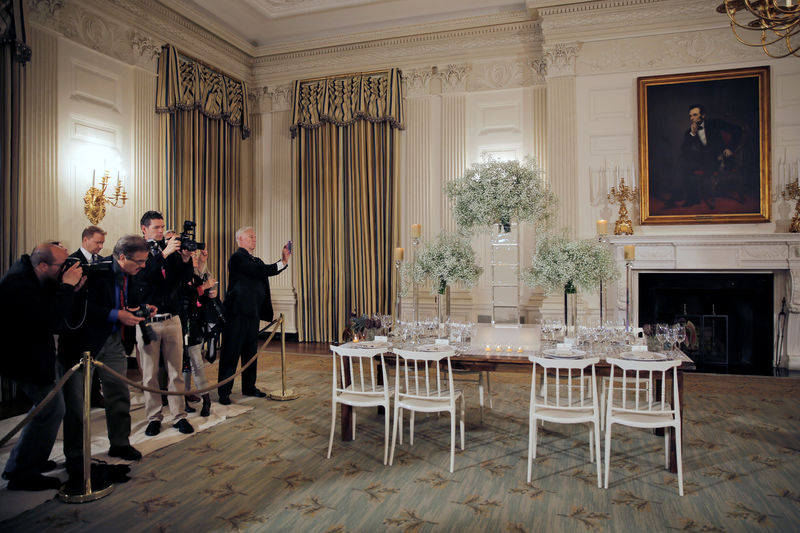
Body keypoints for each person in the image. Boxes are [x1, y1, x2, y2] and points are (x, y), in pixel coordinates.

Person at [59, 235, 150, 480]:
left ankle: (120, 442)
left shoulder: (132, 273)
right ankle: (76, 456)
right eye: (139, 262)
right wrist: (116, 315)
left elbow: (126, 300)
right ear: (122, 257)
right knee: (79, 404)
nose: (143, 266)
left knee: (119, 393)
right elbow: (83, 308)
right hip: (84, 344)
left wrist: (139, 308)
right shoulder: (96, 272)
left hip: (113, 342)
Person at [0, 243, 84, 490]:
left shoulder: (32, 275)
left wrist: (71, 288)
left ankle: (22, 462)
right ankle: (22, 473)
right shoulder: (19, 286)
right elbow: (50, 320)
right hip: (23, 359)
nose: (65, 269)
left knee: (45, 408)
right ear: (43, 265)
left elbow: (50, 304)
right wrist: (67, 286)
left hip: (36, 355)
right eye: (61, 266)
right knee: (51, 409)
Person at [131, 211, 195, 436]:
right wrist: (164, 254)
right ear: (144, 229)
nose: (161, 231)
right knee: (150, 374)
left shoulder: (170, 248)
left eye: (163, 227)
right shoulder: (138, 250)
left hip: (173, 318)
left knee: (175, 372)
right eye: (156, 227)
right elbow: (143, 277)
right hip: (148, 321)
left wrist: (186, 258)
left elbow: (185, 278)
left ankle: (179, 416)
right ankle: (154, 417)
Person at [217, 227, 290, 405]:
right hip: (236, 314)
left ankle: (249, 387)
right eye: (250, 236)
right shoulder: (237, 258)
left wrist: (283, 262)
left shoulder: (255, 260)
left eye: (255, 236)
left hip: (252, 313)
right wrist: (282, 262)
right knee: (231, 352)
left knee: (250, 352)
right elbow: (261, 271)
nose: (254, 239)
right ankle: (224, 392)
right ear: (240, 240)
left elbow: (263, 270)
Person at [678, 104, 743, 210]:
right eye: (690, 116)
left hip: (721, 158)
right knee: (683, 163)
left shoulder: (715, 123)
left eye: (695, 115)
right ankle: (692, 198)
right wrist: (693, 134)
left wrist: (731, 148)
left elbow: (738, 130)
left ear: (703, 115)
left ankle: (704, 196)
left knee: (705, 162)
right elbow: (685, 150)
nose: (692, 118)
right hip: (705, 160)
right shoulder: (689, 132)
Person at [70, 225, 107, 408]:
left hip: (98, 321)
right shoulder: (72, 261)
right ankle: (80, 398)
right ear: (85, 240)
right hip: (80, 320)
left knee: (96, 361)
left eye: (102, 243)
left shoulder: (101, 261)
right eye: (97, 242)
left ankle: (95, 394)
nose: (100, 246)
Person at [179, 249, 217, 416]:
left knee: (196, 362)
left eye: (195, 255)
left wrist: (207, 288)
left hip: (193, 322)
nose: (194, 258)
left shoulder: (195, 276)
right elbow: (188, 293)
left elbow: (201, 281)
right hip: (177, 323)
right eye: (191, 256)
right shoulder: (179, 275)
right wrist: (204, 287)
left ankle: (206, 399)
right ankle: (184, 397)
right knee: (182, 365)